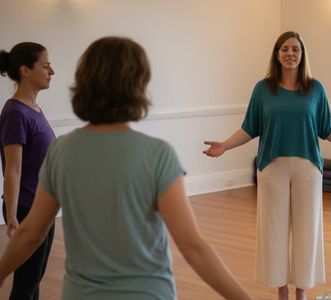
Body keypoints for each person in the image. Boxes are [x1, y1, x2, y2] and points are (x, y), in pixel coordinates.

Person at [0, 36, 253, 300]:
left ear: (85, 84)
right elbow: (192, 247)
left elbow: (30, 234)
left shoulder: (61, 151)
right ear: (138, 85)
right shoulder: (158, 154)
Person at [203, 31, 331, 300]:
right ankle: (281, 290)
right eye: (284, 49)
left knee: (307, 230)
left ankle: (302, 292)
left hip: (308, 167)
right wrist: (225, 145)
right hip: (272, 167)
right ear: (276, 54)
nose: (290, 54)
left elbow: (327, 128)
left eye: (295, 49)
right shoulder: (263, 89)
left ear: (302, 54)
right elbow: (250, 128)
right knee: (273, 231)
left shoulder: (315, 89)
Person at [0, 42, 56, 299]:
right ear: (25, 70)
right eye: (45, 65)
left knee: (34, 279)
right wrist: (11, 216)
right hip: (26, 210)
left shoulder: (33, 109)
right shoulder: (15, 113)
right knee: (26, 283)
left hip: (41, 207)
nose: (51, 71)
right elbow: (13, 169)